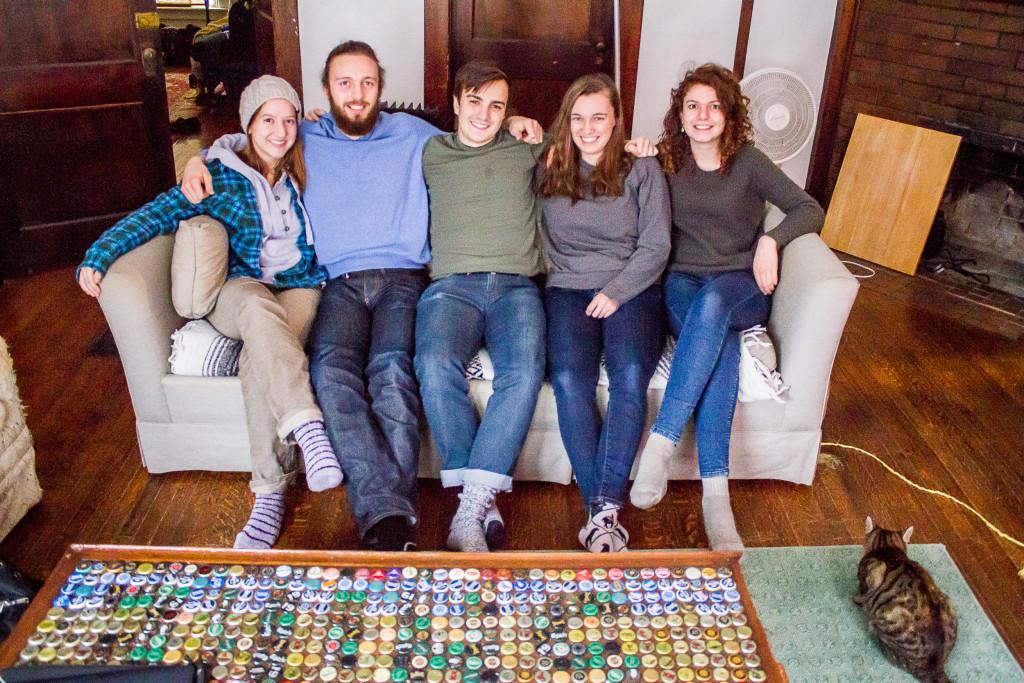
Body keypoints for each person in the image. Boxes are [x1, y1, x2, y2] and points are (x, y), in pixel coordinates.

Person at [180, 43, 539, 551]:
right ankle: (389, 513)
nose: (357, 94)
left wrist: (516, 119)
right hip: (338, 283)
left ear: (380, 88)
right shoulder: (304, 135)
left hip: (403, 278)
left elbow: (475, 131)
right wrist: (198, 156)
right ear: (325, 91)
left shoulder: (415, 135)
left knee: (391, 368)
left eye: (367, 83)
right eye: (345, 83)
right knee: (329, 370)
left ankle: (394, 516)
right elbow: (253, 134)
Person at [79, 75, 342, 550]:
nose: (280, 132)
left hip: (300, 286)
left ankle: (268, 494)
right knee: (259, 312)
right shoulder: (217, 173)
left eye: (289, 120)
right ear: (248, 124)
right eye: (268, 121)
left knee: (258, 358)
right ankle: (306, 425)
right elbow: (155, 214)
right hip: (238, 289)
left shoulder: (307, 162)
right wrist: (99, 254)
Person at [629, 63, 824, 554]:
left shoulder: (750, 162)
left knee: (716, 305)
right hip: (680, 282)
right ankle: (717, 497)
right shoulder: (668, 158)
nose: (702, 115)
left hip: (740, 286)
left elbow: (809, 209)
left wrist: (771, 242)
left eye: (714, 106)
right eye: (692, 106)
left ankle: (662, 440)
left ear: (731, 113)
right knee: (720, 347)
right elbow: (620, 175)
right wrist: (634, 153)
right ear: (680, 113)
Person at [537, 73, 670, 553]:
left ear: (616, 121)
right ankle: (603, 509)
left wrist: (617, 291)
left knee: (629, 373)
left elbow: (657, 245)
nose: (588, 128)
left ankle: (603, 505)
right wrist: (514, 122)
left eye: (599, 117)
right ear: (565, 121)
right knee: (571, 378)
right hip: (568, 288)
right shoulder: (547, 165)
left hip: (632, 288)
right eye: (578, 118)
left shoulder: (642, 169)